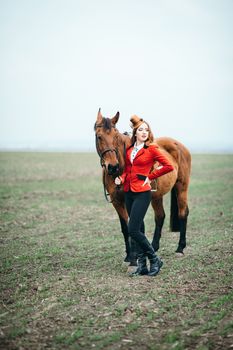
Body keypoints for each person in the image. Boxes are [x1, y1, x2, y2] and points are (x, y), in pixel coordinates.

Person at [115, 115, 174, 276]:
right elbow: (127, 170)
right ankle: (142, 266)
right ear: (135, 133)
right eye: (141, 129)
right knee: (139, 227)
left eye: (146, 130)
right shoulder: (129, 151)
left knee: (132, 229)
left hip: (142, 192)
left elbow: (168, 166)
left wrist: (151, 176)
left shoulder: (152, 149)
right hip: (128, 191)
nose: (144, 132)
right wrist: (122, 178)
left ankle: (155, 259)